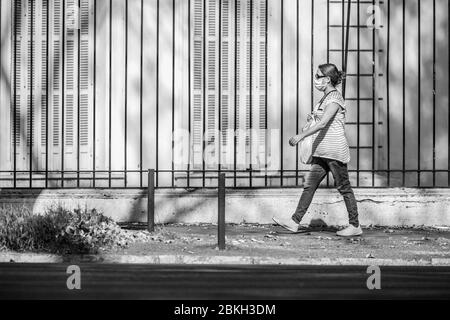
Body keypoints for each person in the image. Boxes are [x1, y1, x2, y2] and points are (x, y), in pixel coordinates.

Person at [273, 63, 362, 237]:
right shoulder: (324, 98)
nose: (315, 80)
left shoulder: (335, 98)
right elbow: (318, 119)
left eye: (318, 76)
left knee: (344, 187)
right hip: (322, 152)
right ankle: (294, 222)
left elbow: (323, 123)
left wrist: (301, 135)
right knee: (309, 186)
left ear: (327, 79)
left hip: (334, 151)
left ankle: (355, 225)